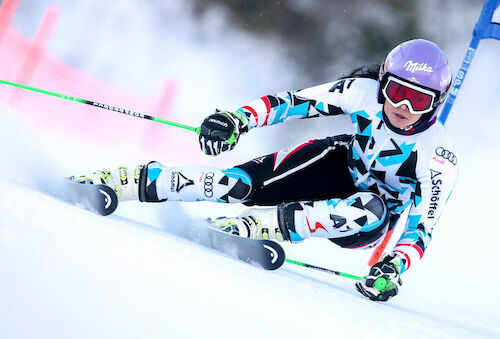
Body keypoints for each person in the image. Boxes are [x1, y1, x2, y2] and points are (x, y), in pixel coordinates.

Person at [73, 39, 458, 302]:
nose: (404, 107)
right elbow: (293, 103)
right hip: (335, 165)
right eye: (396, 92)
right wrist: (238, 119)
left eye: (419, 99)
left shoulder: (439, 157)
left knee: (369, 207)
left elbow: (421, 228)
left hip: (367, 221)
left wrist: (392, 268)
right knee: (236, 184)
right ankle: (125, 182)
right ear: (383, 85)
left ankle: (255, 226)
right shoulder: (361, 92)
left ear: (437, 103)